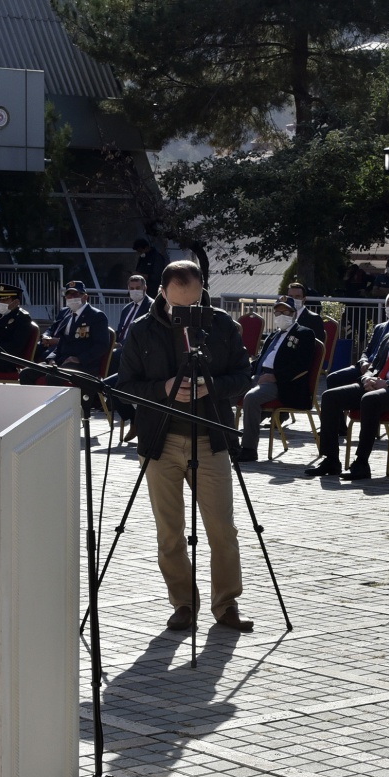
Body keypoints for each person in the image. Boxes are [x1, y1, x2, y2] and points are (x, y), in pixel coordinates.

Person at [118, 261, 254, 630]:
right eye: (180, 307)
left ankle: (226, 605)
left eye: (195, 304)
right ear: (161, 293)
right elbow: (124, 386)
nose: (188, 314)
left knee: (222, 530)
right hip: (160, 441)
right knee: (170, 532)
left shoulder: (222, 325)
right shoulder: (142, 331)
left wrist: (212, 385)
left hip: (211, 438)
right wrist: (162, 389)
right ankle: (183, 604)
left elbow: (244, 376)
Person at [304, 289, 389, 481]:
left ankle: (361, 463)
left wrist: (388, 383)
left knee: (369, 400)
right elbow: (374, 367)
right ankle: (330, 459)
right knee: (330, 396)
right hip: (378, 386)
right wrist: (367, 378)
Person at [237, 296, 319, 462]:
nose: (281, 315)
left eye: (285, 312)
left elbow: (302, 365)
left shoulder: (304, 333)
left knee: (252, 398)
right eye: (277, 312)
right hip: (259, 377)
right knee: (224, 389)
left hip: (282, 384)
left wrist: (275, 377)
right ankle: (225, 443)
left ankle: (248, 449)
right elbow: (260, 359)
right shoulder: (273, 335)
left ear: (294, 313)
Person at [21, 282, 112, 385]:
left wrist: (79, 359)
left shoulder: (96, 316)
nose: (71, 297)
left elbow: (102, 345)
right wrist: (52, 358)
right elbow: (62, 343)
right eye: (68, 295)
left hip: (83, 366)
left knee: (53, 377)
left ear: (85, 297)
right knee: (27, 373)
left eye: (75, 294)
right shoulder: (68, 316)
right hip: (62, 362)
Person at [103, 276, 155, 433]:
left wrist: (122, 346)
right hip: (122, 350)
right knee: (108, 383)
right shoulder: (127, 308)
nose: (134, 291)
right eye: (131, 288)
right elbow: (121, 332)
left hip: (137, 355)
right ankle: (132, 418)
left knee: (112, 367)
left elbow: (146, 336)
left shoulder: (151, 307)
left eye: (137, 288)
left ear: (145, 288)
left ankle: (133, 419)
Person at [327, 291, 389, 388]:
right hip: (364, 367)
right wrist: (364, 361)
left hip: (378, 370)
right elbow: (367, 350)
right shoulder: (379, 327)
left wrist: (373, 365)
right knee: (333, 378)